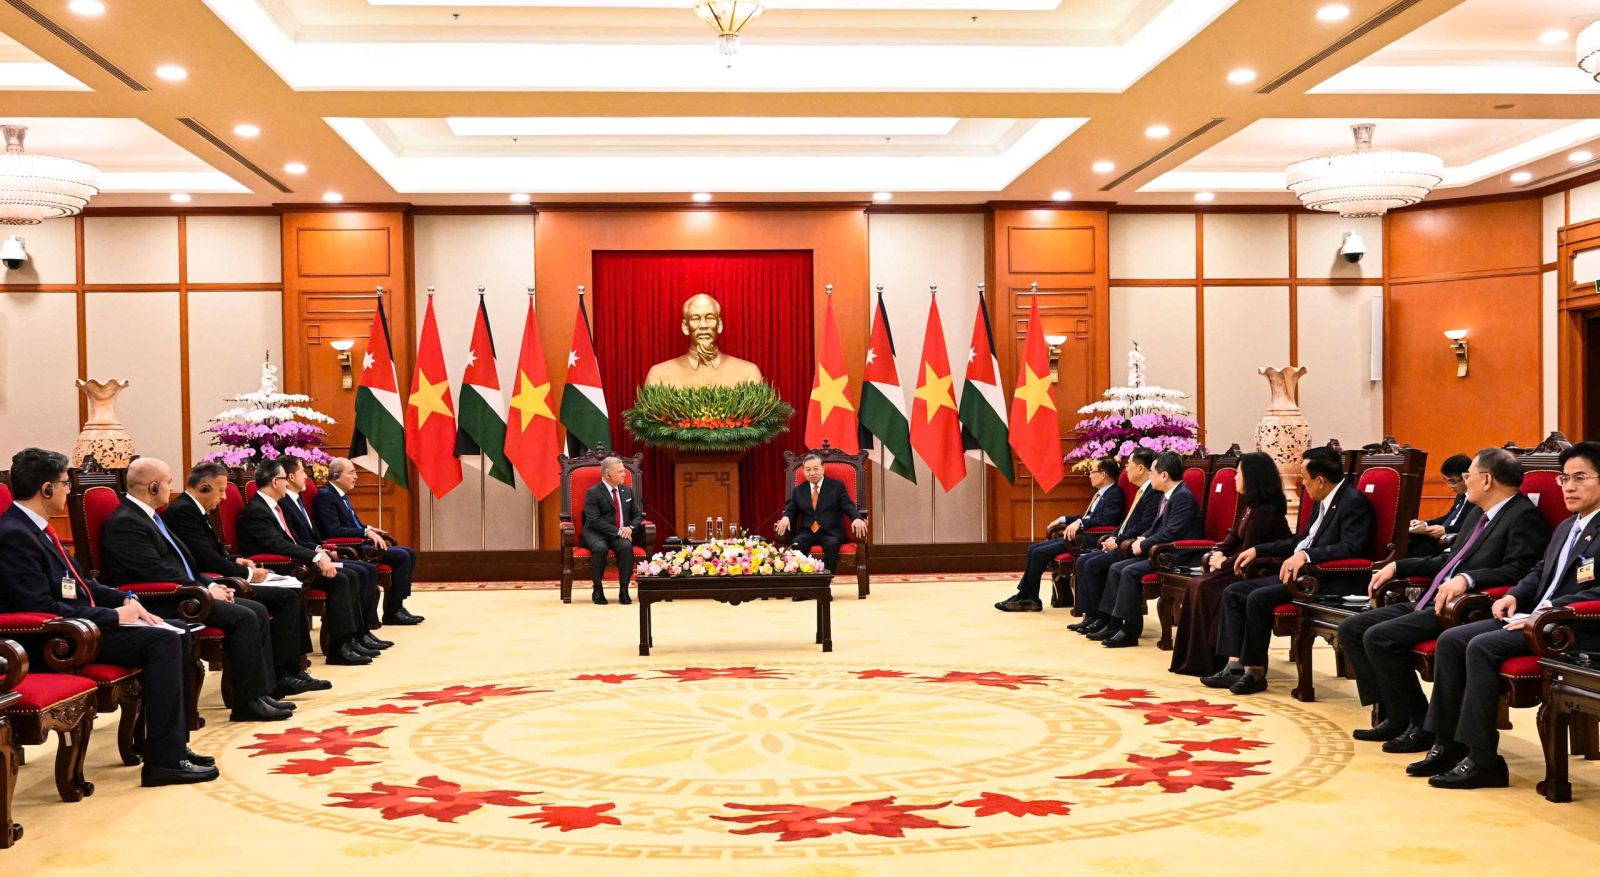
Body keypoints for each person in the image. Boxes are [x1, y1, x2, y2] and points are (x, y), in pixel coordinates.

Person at [0, 448, 217, 786]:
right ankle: (164, 762)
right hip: (53, 640)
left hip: (78, 626)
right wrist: (114, 616)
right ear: (46, 489)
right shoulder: (14, 534)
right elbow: (40, 606)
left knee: (178, 630)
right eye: (64, 484)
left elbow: (80, 584)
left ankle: (169, 745)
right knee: (162, 641)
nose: (68, 491)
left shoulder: (36, 528)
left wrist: (128, 600)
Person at [1410, 441, 1600, 789]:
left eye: (1580, 478)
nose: (1569, 487)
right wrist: (1514, 595)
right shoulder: (1567, 527)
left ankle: (1483, 760)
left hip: (1574, 628)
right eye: (1564, 478)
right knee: (1451, 640)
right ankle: (1448, 743)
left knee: (1481, 646)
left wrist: (1545, 613)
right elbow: (1539, 571)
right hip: (1539, 619)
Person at [1339, 447, 1546, 754]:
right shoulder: (1478, 514)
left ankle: (1418, 723)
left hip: (1465, 608)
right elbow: (1448, 561)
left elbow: (1519, 569)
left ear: (1487, 479)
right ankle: (1395, 715)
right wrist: (1398, 566)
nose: (1465, 481)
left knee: (1379, 637)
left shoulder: (1523, 516)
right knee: (1352, 628)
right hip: (1435, 596)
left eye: (1468, 475)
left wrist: (1469, 579)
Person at [100, 458, 306, 721]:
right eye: (168, 483)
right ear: (153, 487)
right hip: (160, 600)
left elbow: (186, 565)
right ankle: (247, 703)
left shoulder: (149, 516)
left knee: (254, 609)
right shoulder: (127, 522)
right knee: (245, 615)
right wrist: (204, 591)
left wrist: (212, 585)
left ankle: (259, 693)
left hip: (184, 592)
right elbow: (156, 572)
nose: (171, 489)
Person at [153, 461, 331, 700]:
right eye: (221, 490)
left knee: (290, 593)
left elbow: (213, 552)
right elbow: (204, 559)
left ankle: (290, 671)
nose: (225, 497)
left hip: (213, 578)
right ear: (204, 488)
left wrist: (237, 560)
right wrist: (246, 575)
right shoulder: (184, 511)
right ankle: (282, 676)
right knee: (283, 598)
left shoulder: (195, 508)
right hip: (205, 583)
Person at [1204, 445, 1373, 695]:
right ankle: (1234, 666)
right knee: (1234, 591)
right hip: (1304, 575)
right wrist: (1258, 550)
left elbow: (1351, 548)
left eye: (1304, 478)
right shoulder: (1322, 501)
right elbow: (1301, 539)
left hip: (1329, 578)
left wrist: (1307, 556)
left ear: (1320, 480)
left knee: (1257, 597)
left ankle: (1255, 672)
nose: (1303, 484)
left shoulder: (1352, 503)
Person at [238, 459, 378, 665]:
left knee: (350, 574)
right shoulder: (256, 511)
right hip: (276, 568)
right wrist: (315, 557)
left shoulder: (273, 507)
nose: (287, 483)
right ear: (275, 482)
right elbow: (277, 545)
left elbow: (293, 540)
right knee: (341, 579)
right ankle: (338, 648)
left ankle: (351, 639)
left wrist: (318, 550)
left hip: (294, 562)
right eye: (285, 479)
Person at [1169, 451, 1291, 676]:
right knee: (1198, 583)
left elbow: (1249, 553)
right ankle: (1197, 659)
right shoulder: (1251, 506)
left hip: (1257, 571)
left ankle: (1213, 661)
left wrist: (1223, 563)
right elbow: (1233, 538)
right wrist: (1217, 553)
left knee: (1205, 586)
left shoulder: (1266, 512)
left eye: (1238, 474)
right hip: (1241, 566)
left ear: (1252, 477)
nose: (1235, 478)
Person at [1093, 451, 1204, 648]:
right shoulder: (1168, 495)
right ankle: (1114, 624)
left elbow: (1171, 533)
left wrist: (1143, 545)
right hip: (1162, 552)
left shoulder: (1183, 497)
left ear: (1164, 475)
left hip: (1178, 555)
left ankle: (1130, 632)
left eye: (1152, 473)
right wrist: (1141, 539)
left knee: (1128, 571)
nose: (1150, 477)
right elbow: (1156, 528)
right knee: (1117, 568)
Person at [278, 457, 387, 644]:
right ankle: (346, 640)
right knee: (352, 574)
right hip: (304, 564)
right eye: (302, 471)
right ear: (291, 477)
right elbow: (293, 541)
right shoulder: (284, 503)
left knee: (365, 570)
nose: (307, 477)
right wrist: (319, 552)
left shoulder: (297, 499)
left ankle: (362, 632)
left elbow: (310, 537)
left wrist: (324, 549)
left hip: (318, 555)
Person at [995, 456, 1124, 612]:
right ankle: (1027, 595)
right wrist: (1064, 519)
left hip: (1092, 539)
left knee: (1039, 552)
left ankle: (1028, 597)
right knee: (1033, 549)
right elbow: (1088, 517)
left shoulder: (1114, 494)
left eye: (1092, 472)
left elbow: (1107, 520)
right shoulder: (1102, 493)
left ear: (1103, 475)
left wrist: (1080, 523)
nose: (1089, 475)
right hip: (1081, 537)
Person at [313, 457, 422, 625]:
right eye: (351, 473)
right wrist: (365, 532)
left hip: (358, 542)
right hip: (348, 547)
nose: (356, 476)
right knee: (402, 556)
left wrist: (368, 528)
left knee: (409, 552)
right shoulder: (326, 497)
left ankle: (397, 606)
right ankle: (393, 611)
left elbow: (350, 523)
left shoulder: (340, 495)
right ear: (336, 476)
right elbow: (332, 530)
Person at [1069, 448, 1160, 638]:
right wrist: (1113, 536)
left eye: (1129, 465)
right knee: (1083, 560)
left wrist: (1118, 541)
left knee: (1093, 564)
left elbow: (1144, 526)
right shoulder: (1142, 491)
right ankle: (1092, 615)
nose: (1126, 470)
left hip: (1134, 546)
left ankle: (1104, 618)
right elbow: (1127, 522)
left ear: (1141, 469)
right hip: (1125, 541)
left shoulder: (1152, 493)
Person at [642, 293, 764, 388]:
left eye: (710, 318)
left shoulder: (749, 374)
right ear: (685, 327)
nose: (703, 325)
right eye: (695, 319)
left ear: (719, 325)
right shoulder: (658, 375)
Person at [776, 452, 868, 575]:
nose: (812, 473)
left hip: (831, 532)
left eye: (815, 469)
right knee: (797, 545)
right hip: (807, 532)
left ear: (823, 468)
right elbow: (792, 510)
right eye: (808, 470)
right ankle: (803, 581)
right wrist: (786, 517)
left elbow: (848, 505)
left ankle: (825, 580)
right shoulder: (799, 490)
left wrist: (857, 518)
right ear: (803, 471)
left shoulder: (836, 486)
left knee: (831, 545)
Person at [582, 456, 644, 605]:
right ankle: (597, 589)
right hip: (597, 533)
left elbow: (638, 515)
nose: (624, 474)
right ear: (608, 474)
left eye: (624, 471)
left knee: (626, 547)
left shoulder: (627, 491)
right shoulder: (593, 492)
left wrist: (630, 528)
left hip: (620, 534)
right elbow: (594, 520)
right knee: (600, 549)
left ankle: (624, 589)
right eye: (620, 471)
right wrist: (619, 531)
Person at [1406, 454, 1472, 557]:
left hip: (1451, 541)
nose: (1450, 486)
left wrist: (1445, 530)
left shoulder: (1477, 497)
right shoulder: (1461, 494)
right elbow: (1449, 517)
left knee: (1411, 552)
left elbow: (1472, 525)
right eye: (1446, 481)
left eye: (1452, 481)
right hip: (1439, 536)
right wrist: (1425, 524)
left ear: (1466, 477)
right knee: (1406, 538)